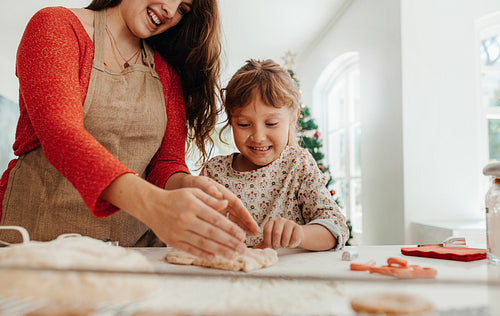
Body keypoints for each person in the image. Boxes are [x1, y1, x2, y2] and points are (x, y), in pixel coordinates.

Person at [0, 0, 259, 260]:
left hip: (131, 254)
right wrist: (153, 204)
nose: (170, 11)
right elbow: (62, 135)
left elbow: (165, 164)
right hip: (35, 244)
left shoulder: (166, 74)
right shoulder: (56, 26)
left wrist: (187, 184)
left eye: (183, 8)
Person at [201, 59, 349, 251]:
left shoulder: (298, 164)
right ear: (230, 120)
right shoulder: (215, 172)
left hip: (288, 277)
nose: (258, 137)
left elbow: (336, 229)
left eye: (271, 124)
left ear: (293, 118)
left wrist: (300, 234)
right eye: (244, 124)